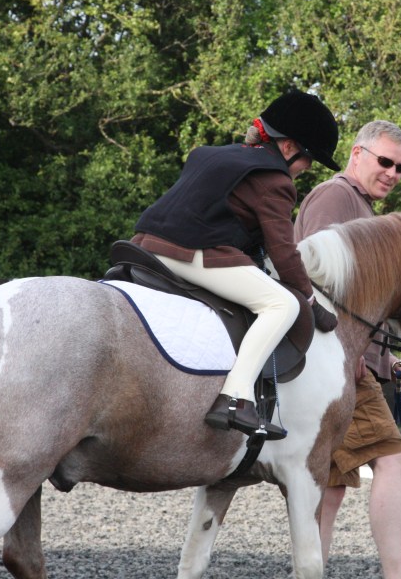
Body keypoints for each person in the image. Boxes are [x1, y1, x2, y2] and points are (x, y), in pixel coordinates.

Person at [131, 89, 340, 439]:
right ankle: (236, 397)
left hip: (143, 245)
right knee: (282, 304)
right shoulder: (274, 180)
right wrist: (310, 301)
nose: (307, 168)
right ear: (289, 146)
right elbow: (284, 253)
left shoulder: (213, 154)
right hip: (190, 253)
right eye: (309, 158)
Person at [294, 119, 401, 578]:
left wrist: (388, 359)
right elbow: (314, 276)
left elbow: (358, 298)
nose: (392, 173)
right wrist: (350, 354)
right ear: (357, 153)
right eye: (385, 161)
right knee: (396, 462)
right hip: (338, 363)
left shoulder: (360, 206)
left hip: (341, 360)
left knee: (329, 488)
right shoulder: (335, 197)